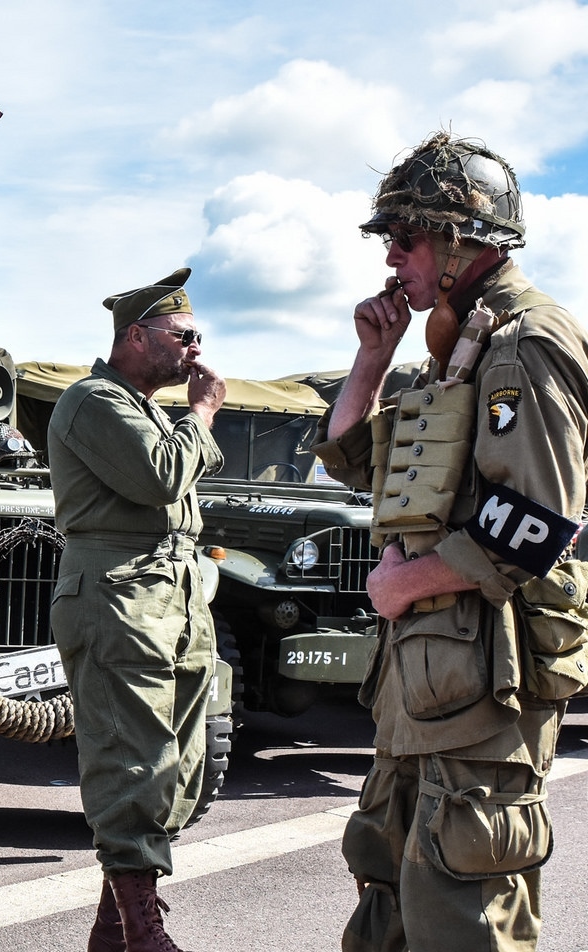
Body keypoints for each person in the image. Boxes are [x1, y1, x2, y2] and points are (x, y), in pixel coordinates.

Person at [315, 133, 588, 952]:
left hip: (485, 685)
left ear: (457, 238)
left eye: (405, 238)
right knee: (390, 905)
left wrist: (407, 584)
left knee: (464, 921)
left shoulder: (524, 344)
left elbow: (536, 519)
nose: (392, 258)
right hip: (429, 681)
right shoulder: (458, 348)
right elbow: (356, 462)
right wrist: (372, 360)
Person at [47, 267, 226, 952]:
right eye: (183, 335)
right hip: (119, 593)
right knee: (132, 759)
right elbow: (159, 476)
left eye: (196, 335)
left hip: (171, 595)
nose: (196, 349)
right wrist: (203, 413)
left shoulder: (147, 408)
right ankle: (143, 934)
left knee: (178, 761)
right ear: (136, 335)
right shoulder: (96, 400)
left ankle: (111, 929)